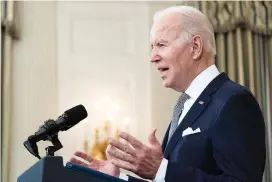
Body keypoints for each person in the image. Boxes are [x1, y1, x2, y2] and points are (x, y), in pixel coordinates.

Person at [70, 5, 266, 182]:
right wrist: (117, 179)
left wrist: (161, 169)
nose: (153, 57)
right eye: (152, 47)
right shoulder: (185, 105)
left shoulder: (233, 101)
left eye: (161, 45)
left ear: (195, 48)